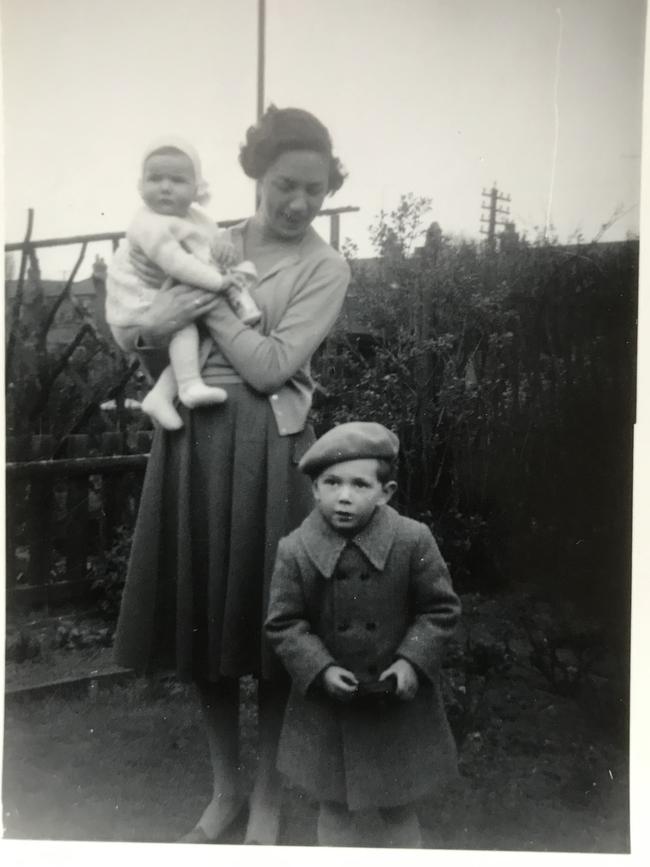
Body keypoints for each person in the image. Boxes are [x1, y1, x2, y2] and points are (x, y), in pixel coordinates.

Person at [110, 106, 351, 845]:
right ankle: (224, 790)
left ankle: (271, 796)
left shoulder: (325, 266)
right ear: (256, 175)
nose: (299, 203)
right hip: (194, 438)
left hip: (274, 451)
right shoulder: (207, 236)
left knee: (274, 629)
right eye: (285, 184)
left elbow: (273, 364)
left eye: (315, 190)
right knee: (201, 620)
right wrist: (166, 317)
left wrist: (203, 305)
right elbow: (137, 327)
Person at [265, 422, 461, 848]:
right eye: (331, 483)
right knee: (334, 807)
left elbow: (440, 609)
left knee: (399, 807)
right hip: (330, 707)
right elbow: (284, 623)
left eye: (359, 484)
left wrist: (412, 661)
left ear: (385, 492)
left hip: (396, 704)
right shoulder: (295, 550)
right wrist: (318, 669)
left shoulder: (412, 540)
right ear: (315, 489)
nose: (344, 496)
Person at [106, 136, 261, 430]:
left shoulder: (197, 218)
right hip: (136, 310)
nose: (165, 187)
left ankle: (162, 395)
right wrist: (219, 282)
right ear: (141, 185)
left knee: (201, 335)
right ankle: (188, 386)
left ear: (196, 189)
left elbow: (208, 246)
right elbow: (178, 262)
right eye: (155, 178)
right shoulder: (148, 223)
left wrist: (222, 250)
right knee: (187, 325)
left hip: (165, 302)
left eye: (177, 180)